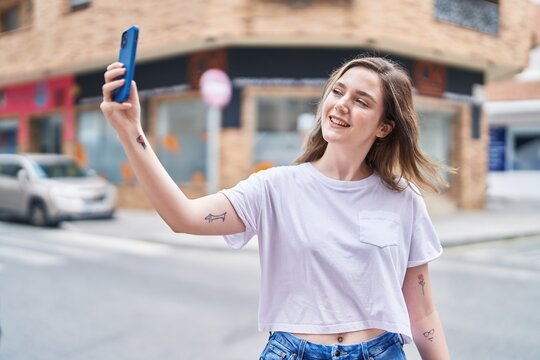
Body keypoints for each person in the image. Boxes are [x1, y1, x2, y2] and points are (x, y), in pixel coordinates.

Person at [101, 55, 451, 360]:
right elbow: (183, 216)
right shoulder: (275, 187)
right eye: (338, 91)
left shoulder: (402, 199)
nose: (342, 104)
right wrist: (130, 131)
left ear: (384, 127)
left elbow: (422, 315)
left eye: (362, 101)